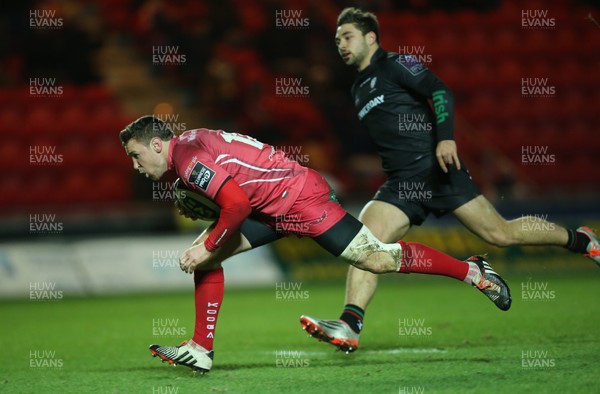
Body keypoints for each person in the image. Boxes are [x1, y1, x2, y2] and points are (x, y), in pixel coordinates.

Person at [299, 7, 600, 354]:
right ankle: (350, 325)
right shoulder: (358, 88)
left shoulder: (398, 63)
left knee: (500, 233)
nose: (341, 44)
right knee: (365, 243)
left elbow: (439, 90)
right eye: (337, 40)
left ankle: (581, 240)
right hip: (401, 183)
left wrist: (446, 137)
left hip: (437, 168)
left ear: (370, 37)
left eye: (347, 36)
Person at [120, 115, 511, 373]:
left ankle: (473, 270)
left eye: (136, 157)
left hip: (299, 200)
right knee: (207, 256)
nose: (136, 167)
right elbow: (236, 189)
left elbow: (235, 205)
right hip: (272, 205)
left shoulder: (187, 161)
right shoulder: (188, 145)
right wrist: (210, 239)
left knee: (376, 259)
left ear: (157, 145)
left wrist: (209, 243)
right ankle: (201, 349)